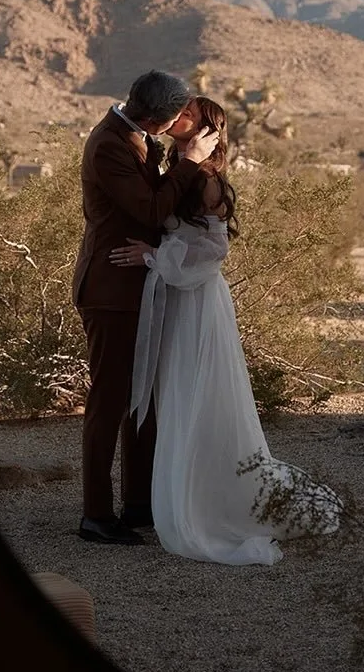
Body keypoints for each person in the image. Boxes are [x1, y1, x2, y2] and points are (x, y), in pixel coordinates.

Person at [110, 96, 343, 565]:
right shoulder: (177, 169)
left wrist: (153, 257)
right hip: (176, 296)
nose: (178, 117)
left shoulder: (207, 181)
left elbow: (213, 252)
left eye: (189, 115)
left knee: (197, 391)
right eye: (179, 111)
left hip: (197, 300)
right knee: (177, 392)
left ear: (208, 131)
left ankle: (212, 501)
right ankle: (181, 488)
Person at [72, 71, 220, 545]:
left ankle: (139, 502)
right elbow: (151, 210)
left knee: (143, 399)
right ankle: (96, 515)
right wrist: (191, 162)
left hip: (142, 286)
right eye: (177, 118)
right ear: (158, 120)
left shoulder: (136, 137)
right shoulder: (109, 146)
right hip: (110, 290)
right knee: (110, 400)